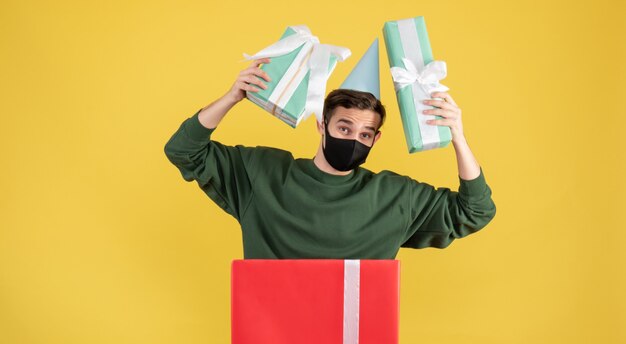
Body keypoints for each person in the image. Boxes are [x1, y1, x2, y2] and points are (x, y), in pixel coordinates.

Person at [164, 56, 496, 259]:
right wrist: (232, 97)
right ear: (322, 125)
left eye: (365, 134)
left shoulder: (395, 196)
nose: (354, 139)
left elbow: (476, 211)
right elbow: (183, 150)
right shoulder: (262, 174)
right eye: (344, 127)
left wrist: (458, 137)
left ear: (376, 139)